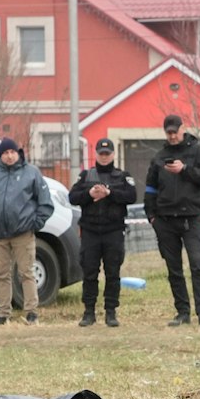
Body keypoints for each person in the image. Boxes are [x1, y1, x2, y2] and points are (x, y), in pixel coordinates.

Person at [145, 114, 200, 326]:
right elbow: (150, 189)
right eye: (168, 133)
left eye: (175, 132)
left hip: (192, 219)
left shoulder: (198, 151)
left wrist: (185, 170)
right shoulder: (159, 157)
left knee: (197, 264)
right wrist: (151, 216)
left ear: (182, 129)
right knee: (173, 269)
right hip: (165, 221)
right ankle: (182, 312)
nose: (172, 136)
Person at [0, 135, 53, 326]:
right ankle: (3, 313)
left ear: (18, 153)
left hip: (22, 233)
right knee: (2, 274)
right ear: (0, 155)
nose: (9, 156)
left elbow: (45, 203)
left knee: (26, 272)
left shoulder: (31, 173)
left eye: (12, 152)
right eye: (5, 153)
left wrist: (34, 224)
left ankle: (31, 312)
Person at [68, 137, 137, 327]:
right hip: (90, 231)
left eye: (107, 154)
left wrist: (109, 194)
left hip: (113, 231)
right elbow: (72, 197)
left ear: (113, 155)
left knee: (112, 272)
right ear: (96, 154)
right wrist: (89, 195)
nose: (104, 157)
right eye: (101, 154)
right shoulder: (85, 176)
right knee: (89, 272)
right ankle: (89, 312)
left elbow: (131, 196)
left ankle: (111, 312)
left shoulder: (122, 176)